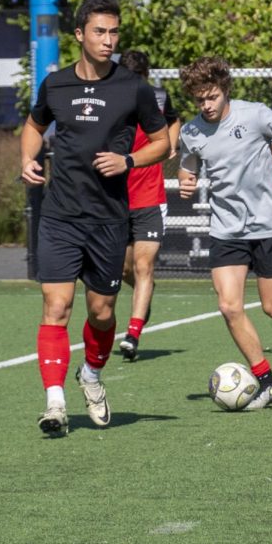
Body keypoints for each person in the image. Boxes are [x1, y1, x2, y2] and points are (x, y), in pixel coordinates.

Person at [20, 0, 169, 436]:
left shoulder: (133, 87)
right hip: (61, 215)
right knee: (56, 306)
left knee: (102, 313)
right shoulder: (56, 85)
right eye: (100, 32)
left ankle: (91, 373)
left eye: (114, 32)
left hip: (109, 219)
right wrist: (28, 159)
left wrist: (130, 161)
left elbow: (162, 142)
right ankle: (55, 403)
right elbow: (33, 125)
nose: (109, 40)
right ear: (80, 35)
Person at [177, 56, 272, 409]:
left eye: (211, 96)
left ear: (225, 89)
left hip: (267, 225)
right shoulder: (191, 131)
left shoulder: (254, 114)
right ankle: (267, 380)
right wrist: (186, 180)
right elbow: (188, 164)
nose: (206, 105)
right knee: (228, 305)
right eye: (199, 99)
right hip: (226, 230)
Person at [116, 50, 180, 361]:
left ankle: (134, 331)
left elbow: (174, 120)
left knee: (144, 266)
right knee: (123, 268)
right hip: (116, 199)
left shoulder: (156, 99)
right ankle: (145, 295)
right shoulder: (109, 103)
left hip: (149, 198)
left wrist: (171, 145)